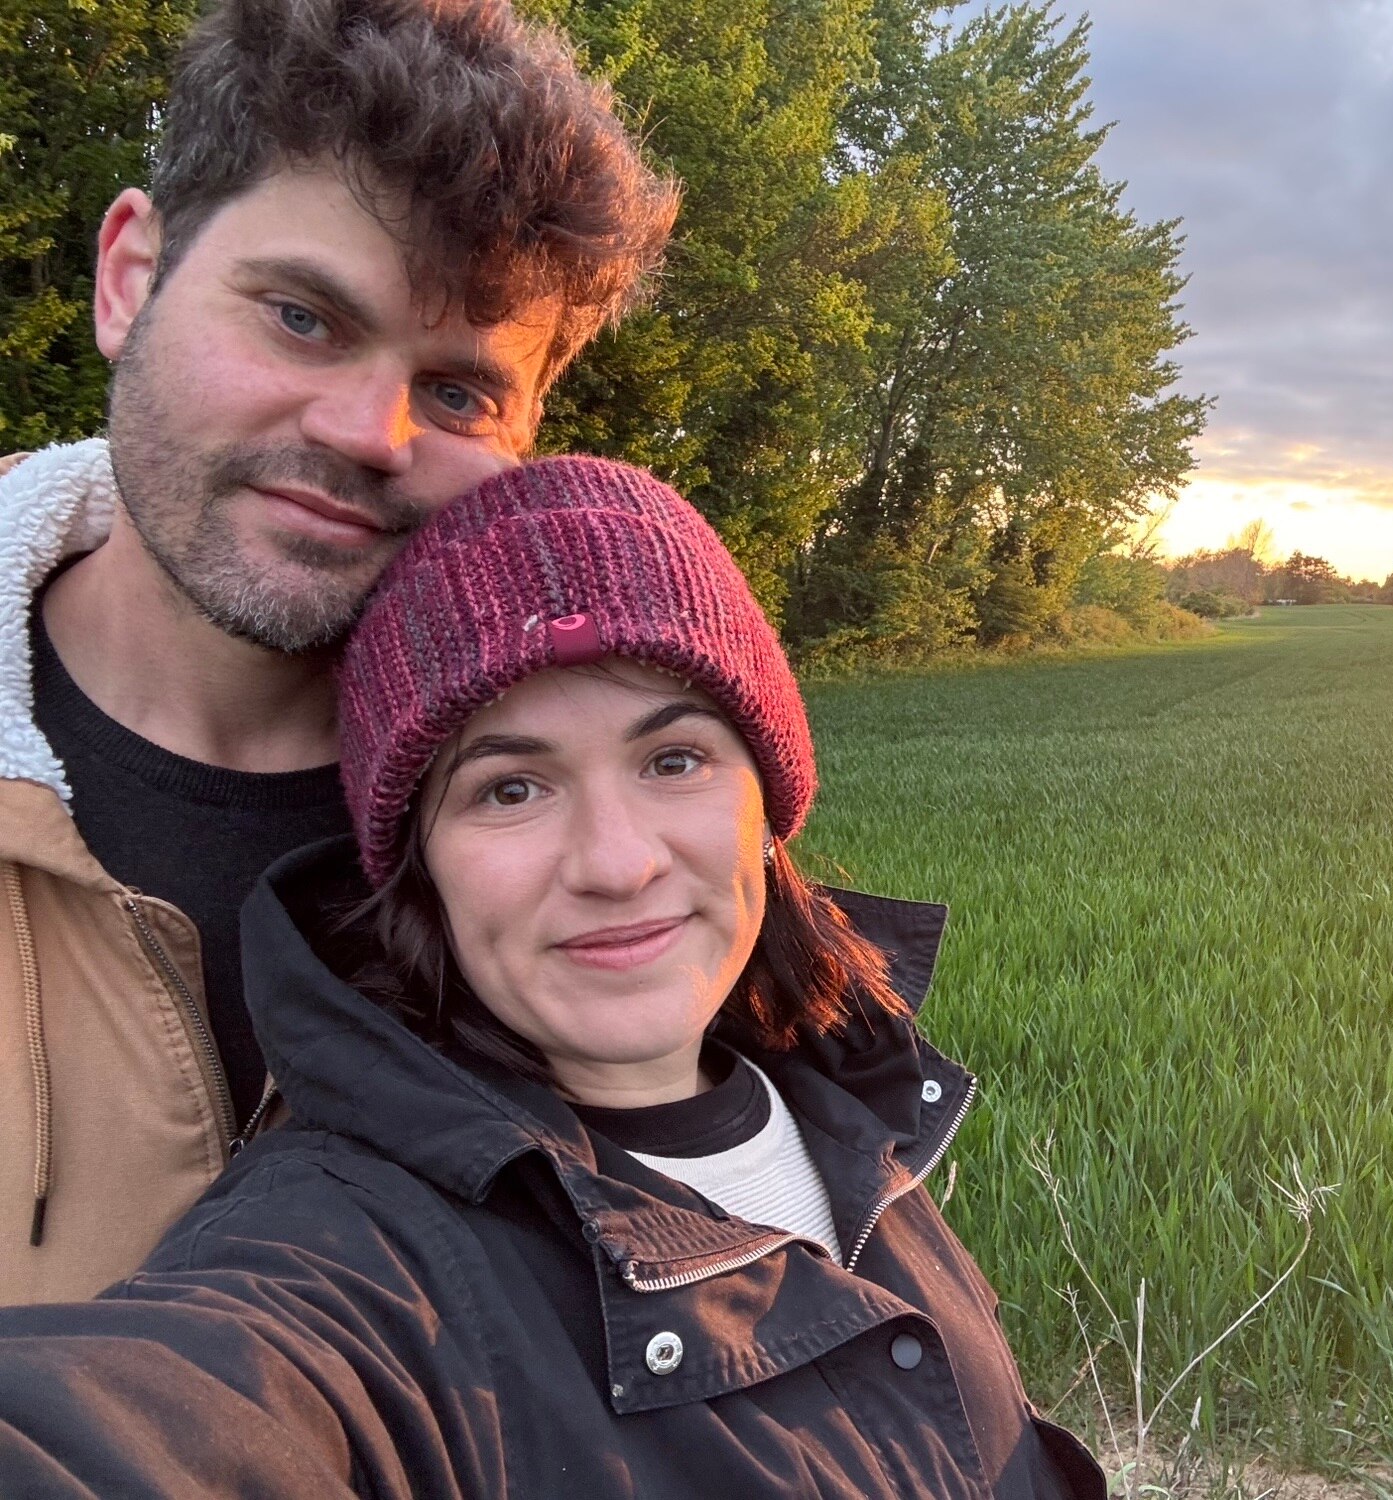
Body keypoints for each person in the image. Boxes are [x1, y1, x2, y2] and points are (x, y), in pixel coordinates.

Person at [0, 456, 1104, 1498]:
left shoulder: (851, 1109)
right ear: (420, 867)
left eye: (674, 761)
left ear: (764, 806)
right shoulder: (352, 1256)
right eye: (510, 790)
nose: (617, 864)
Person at [0, 0, 678, 1301]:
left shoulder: (603, 832)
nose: (374, 430)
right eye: (304, 316)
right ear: (129, 279)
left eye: (460, 390)